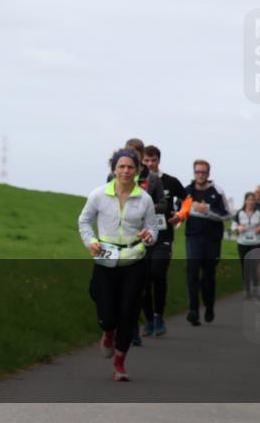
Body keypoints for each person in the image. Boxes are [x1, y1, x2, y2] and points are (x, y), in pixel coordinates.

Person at [79, 149, 159, 382]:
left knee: (128, 312)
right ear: (114, 169)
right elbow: (84, 220)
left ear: (137, 171)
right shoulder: (99, 195)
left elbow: (153, 228)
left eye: (130, 167)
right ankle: (107, 331)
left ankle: (120, 363)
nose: (125, 171)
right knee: (105, 309)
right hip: (105, 256)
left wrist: (149, 236)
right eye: (121, 167)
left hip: (134, 259)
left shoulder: (144, 199)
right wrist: (91, 241)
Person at [177, 159, 232, 325]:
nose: (200, 175)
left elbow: (227, 214)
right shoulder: (187, 191)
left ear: (208, 174)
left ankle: (209, 306)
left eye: (203, 172)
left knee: (208, 276)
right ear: (194, 173)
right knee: (192, 271)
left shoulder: (217, 191)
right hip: (193, 236)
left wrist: (207, 211)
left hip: (212, 238)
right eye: (197, 172)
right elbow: (179, 209)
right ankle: (193, 310)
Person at [140, 144, 186, 336]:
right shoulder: (138, 181)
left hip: (163, 235)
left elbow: (187, 199)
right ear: (142, 161)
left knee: (158, 273)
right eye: (146, 161)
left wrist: (180, 215)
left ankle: (159, 316)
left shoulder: (170, 181)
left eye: (153, 160)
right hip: (141, 236)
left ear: (159, 160)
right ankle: (149, 319)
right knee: (143, 279)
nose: (150, 164)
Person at [232, 192, 260, 300]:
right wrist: (238, 228)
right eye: (249, 199)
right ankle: (247, 292)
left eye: (253, 200)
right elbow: (233, 226)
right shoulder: (239, 213)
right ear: (245, 200)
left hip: (256, 243)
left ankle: (256, 290)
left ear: (255, 201)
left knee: (254, 267)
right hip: (242, 243)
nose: (251, 202)